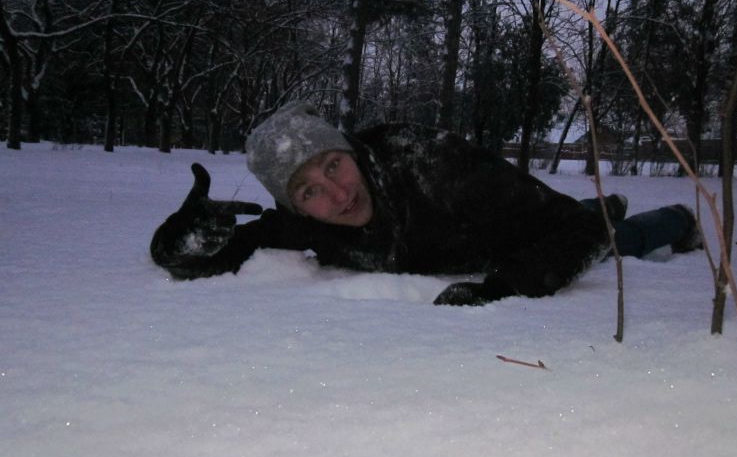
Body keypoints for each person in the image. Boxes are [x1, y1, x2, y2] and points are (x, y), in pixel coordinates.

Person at [150, 101, 701, 306]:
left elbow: (569, 235)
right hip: (487, 228)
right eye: (309, 191)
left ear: (350, 153)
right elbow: (216, 252)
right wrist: (183, 238)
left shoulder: (434, 165)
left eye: (334, 166)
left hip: (513, 239)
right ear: (295, 208)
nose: (337, 195)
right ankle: (609, 204)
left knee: (602, 235)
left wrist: (501, 288)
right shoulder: (306, 225)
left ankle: (674, 219)